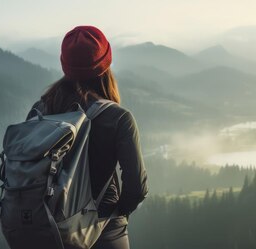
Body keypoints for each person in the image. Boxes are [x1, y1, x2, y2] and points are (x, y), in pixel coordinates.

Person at [29, 26, 148, 249]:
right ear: (105, 65)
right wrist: (114, 215)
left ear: (65, 64)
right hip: (103, 232)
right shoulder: (118, 117)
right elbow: (136, 188)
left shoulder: (41, 110)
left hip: (47, 231)